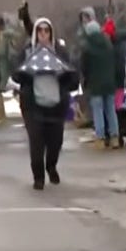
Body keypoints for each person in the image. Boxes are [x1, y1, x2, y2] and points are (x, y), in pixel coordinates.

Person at [13, 17, 79, 189]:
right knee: (36, 142)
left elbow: (73, 76)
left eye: (46, 31)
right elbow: (16, 75)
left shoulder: (60, 51)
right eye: (40, 31)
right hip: (32, 105)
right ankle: (38, 177)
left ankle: (51, 166)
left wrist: (63, 75)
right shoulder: (28, 52)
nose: (43, 34)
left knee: (55, 142)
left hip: (56, 105)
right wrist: (27, 70)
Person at [80, 19, 121, 148]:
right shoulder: (108, 45)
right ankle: (115, 137)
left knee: (98, 111)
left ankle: (101, 138)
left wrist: (86, 80)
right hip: (109, 83)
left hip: (95, 84)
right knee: (110, 110)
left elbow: (84, 67)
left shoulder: (87, 47)